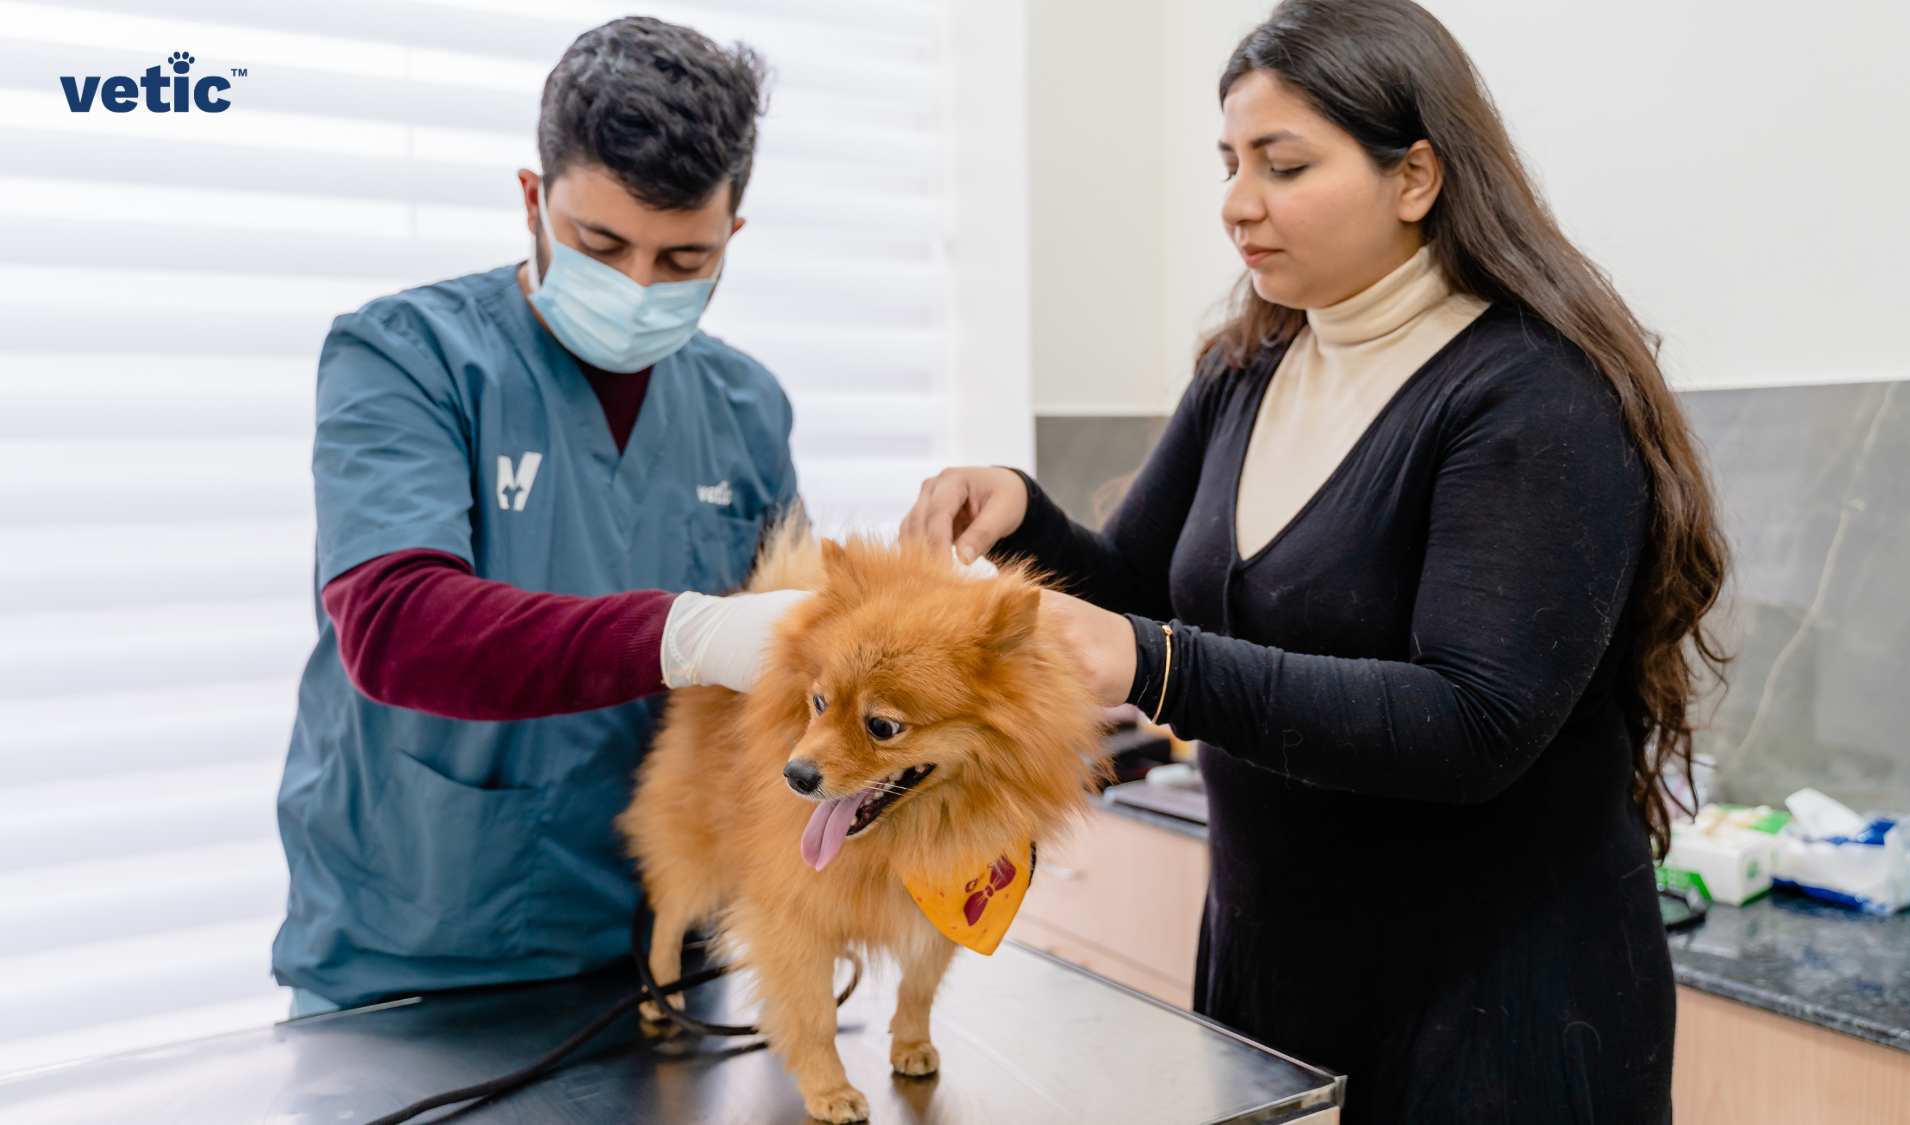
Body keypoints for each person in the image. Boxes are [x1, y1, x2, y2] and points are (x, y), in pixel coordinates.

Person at [901, 2, 1728, 1120]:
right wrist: (1023, 519)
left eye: (1283, 165)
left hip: (1499, 1005)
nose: (1238, 203)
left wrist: (1158, 665)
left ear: (1416, 176)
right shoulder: (1249, 365)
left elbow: (1472, 722)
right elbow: (1143, 593)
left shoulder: (1530, 394)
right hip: (1278, 966)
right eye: (1230, 162)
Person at [273, 17, 808, 1016]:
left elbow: (784, 688)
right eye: (600, 245)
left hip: (663, 963)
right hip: (419, 958)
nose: (638, 287)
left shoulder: (747, 409)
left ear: (732, 236)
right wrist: (686, 633)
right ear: (533, 199)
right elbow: (396, 628)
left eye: (683, 260)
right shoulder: (405, 360)